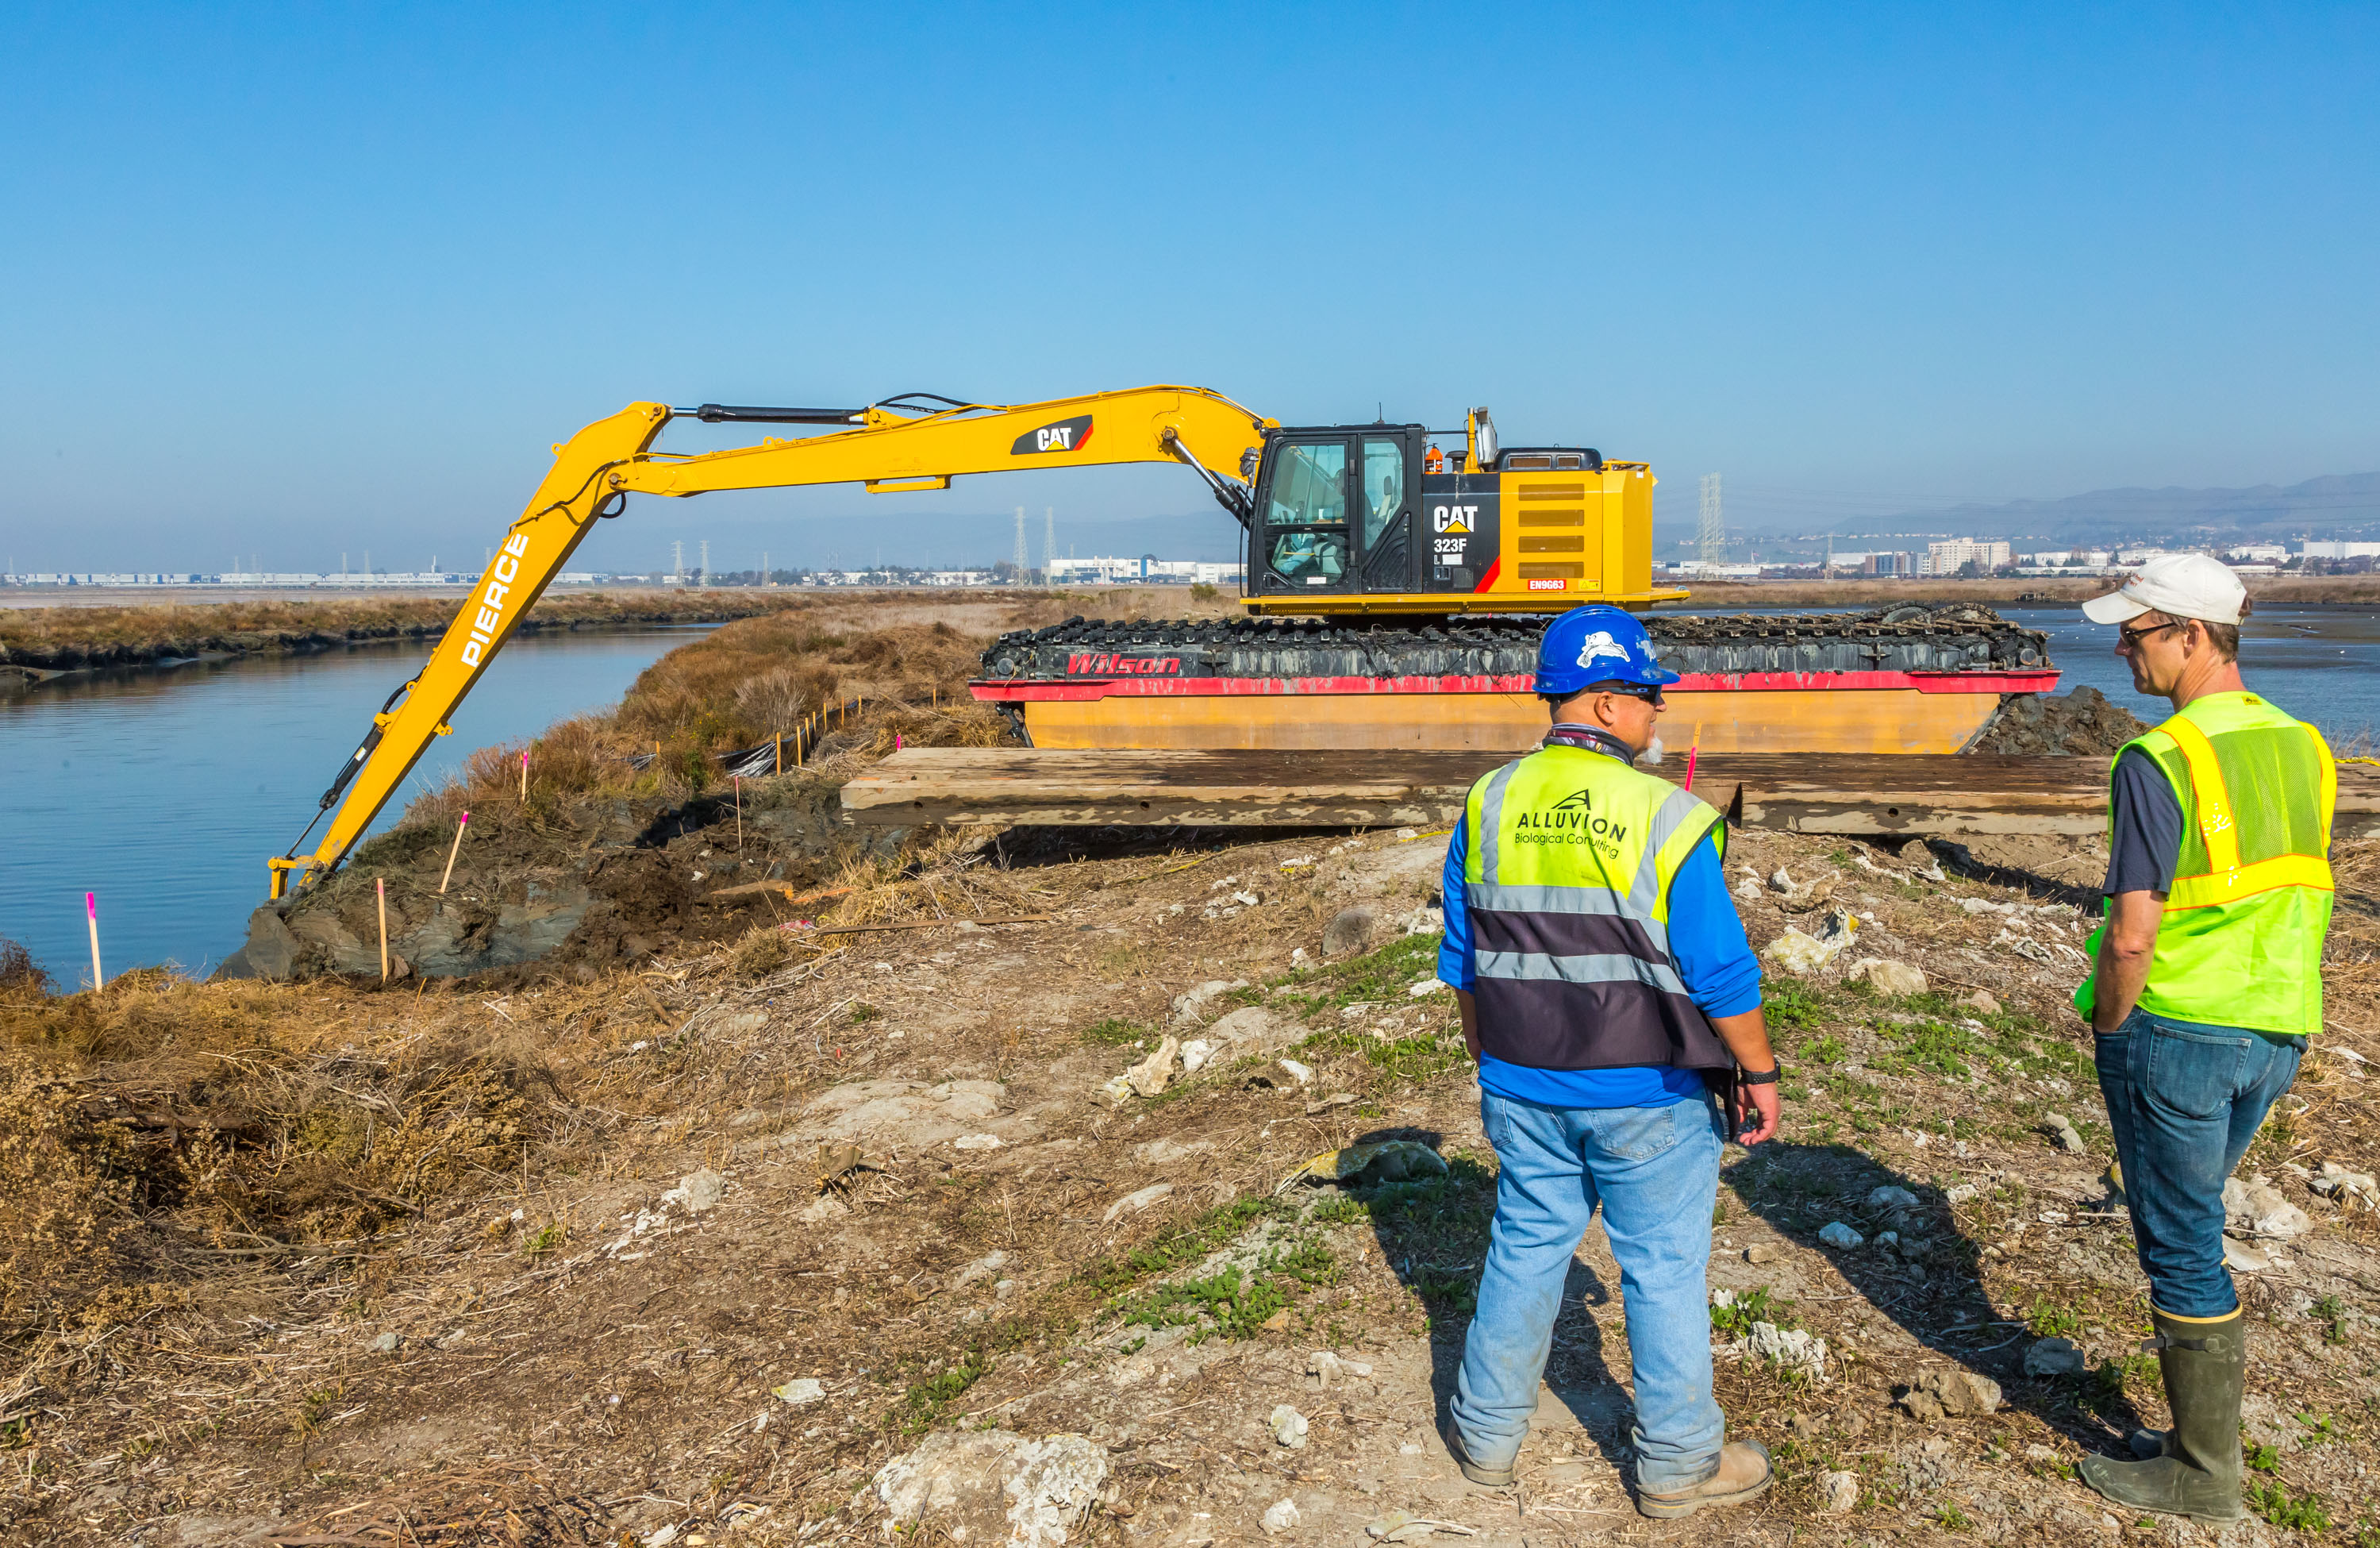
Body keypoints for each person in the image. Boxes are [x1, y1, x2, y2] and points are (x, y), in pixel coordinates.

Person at [1436, 604, 1782, 1519]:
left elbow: (1464, 957)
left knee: (1525, 1244)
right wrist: (1758, 1073)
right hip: (1648, 1089)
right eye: (1650, 699)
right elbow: (1720, 973)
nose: (1658, 716)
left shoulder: (1489, 799)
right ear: (1606, 703)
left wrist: (1492, 1058)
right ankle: (1674, 1469)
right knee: (1661, 1269)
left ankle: (1483, 1438)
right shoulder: (1665, 815)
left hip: (1520, 1079)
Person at [2073, 555, 2337, 1523]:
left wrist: (2108, 1020)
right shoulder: (2303, 744)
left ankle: (2200, 1474)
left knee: (2181, 1244)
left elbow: (2133, 929)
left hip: (2177, 1028)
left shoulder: (2159, 758)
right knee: (2193, 1227)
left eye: (2134, 633)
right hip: (2276, 1029)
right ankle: (2197, 1447)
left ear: (2192, 636)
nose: (2118, 649)